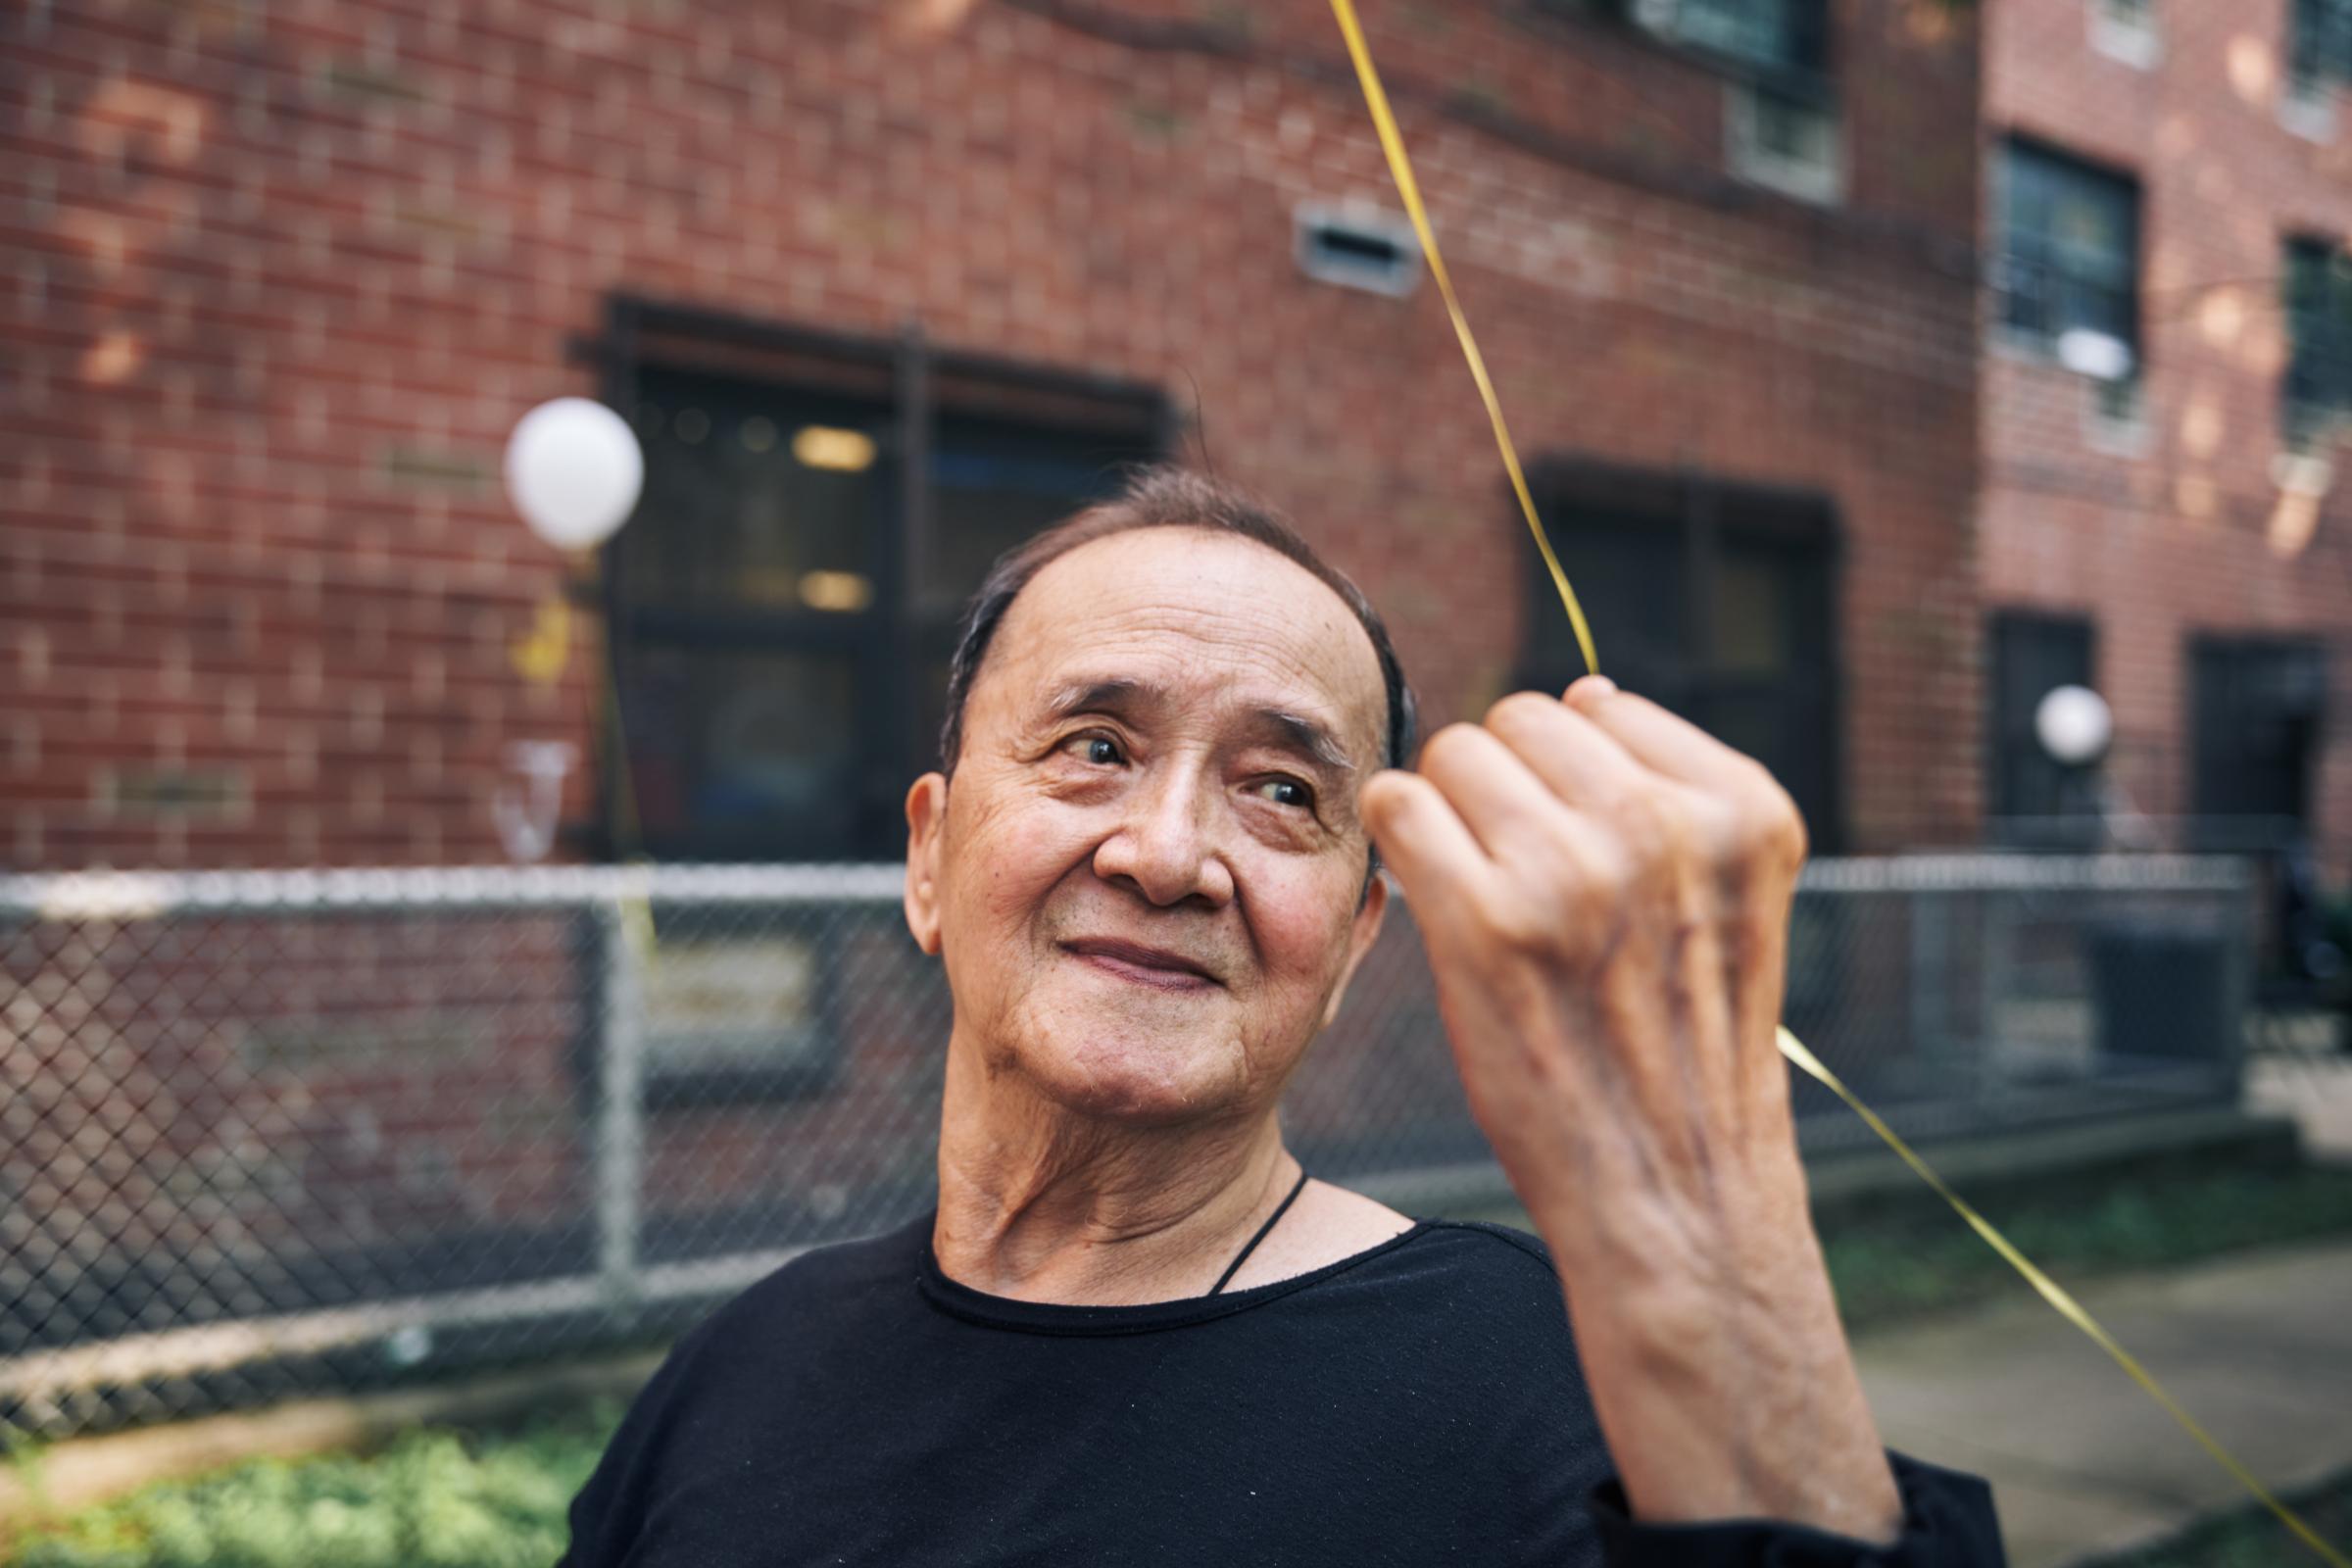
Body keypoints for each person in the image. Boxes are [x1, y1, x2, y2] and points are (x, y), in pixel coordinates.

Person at [560, 466, 2003, 1565]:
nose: (1169, 854)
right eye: (1096, 746)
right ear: (929, 857)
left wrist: (1714, 1221)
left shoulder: (1546, 1393)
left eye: (1284, 793)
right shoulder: (736, 1372)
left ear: (1361, 932)